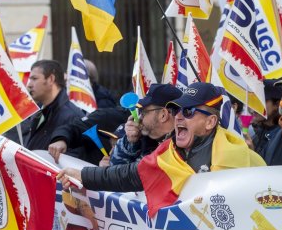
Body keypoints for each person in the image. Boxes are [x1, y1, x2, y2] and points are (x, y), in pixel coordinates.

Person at [57, 82, 265, 214]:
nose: (179, 116)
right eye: (177, 110)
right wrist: (83, 175)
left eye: (189, 111)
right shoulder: (170, 151)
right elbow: (130, 175)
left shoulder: (241, 157)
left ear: (210, 122)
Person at [109, 83, 182, 166]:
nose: (139, 117)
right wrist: (130, 142)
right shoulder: (144, 141)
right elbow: (117, 172)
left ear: (163, 115)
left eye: (143, 112)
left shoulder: (181, 146)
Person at [24, 60, 84, 150]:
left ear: (51, 79)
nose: (29, 85)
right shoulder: (38, 111)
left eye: (34, 79)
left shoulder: (72, 116)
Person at [48, 107, 129, 164]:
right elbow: (75, 127)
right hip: (86, 176)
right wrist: (61, 138)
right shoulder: (109, 116)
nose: (111, 152)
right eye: (113, 144)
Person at [249, 79, 282, 153]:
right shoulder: (256, 134)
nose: (254, 106)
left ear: (277, 104)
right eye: (253, 101)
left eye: (260, 101)